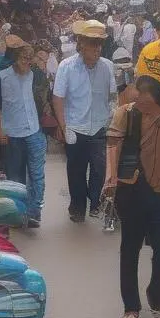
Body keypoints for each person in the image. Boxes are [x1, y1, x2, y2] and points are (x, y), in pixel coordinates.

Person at [105, 76, 160, 318]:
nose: (142, 108)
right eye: (138, 102)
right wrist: (110, 179)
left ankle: (156, 293)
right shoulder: (124, 114)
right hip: (129, 191)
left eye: (147, 104)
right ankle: (131, 305)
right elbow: (113, 147)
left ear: (159, 102)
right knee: (130, 248)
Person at [52, 21, 117, 222]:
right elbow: (58, 98)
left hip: (99, 127)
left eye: (99, 44)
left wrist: (114, 118)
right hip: (75, 127)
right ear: (82, 45)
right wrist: (63, 128)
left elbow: (113, 95)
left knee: (99, 169)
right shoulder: (67, 67)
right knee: (76, 171)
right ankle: (78, 207)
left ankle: (95, 202)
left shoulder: (107, 66)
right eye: (93, 44)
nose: (97, 49)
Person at [0, 36, 51, 229]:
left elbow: (45, 97)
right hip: (13, 133)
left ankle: (34, 212)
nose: (26, 62)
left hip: (34, 131)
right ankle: (18, 212)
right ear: (15, 58)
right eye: (23, 58)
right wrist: (0, 131)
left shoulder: (36, 76)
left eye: (29, 59)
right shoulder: (2, 77)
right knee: (15, 176)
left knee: (36, 174)